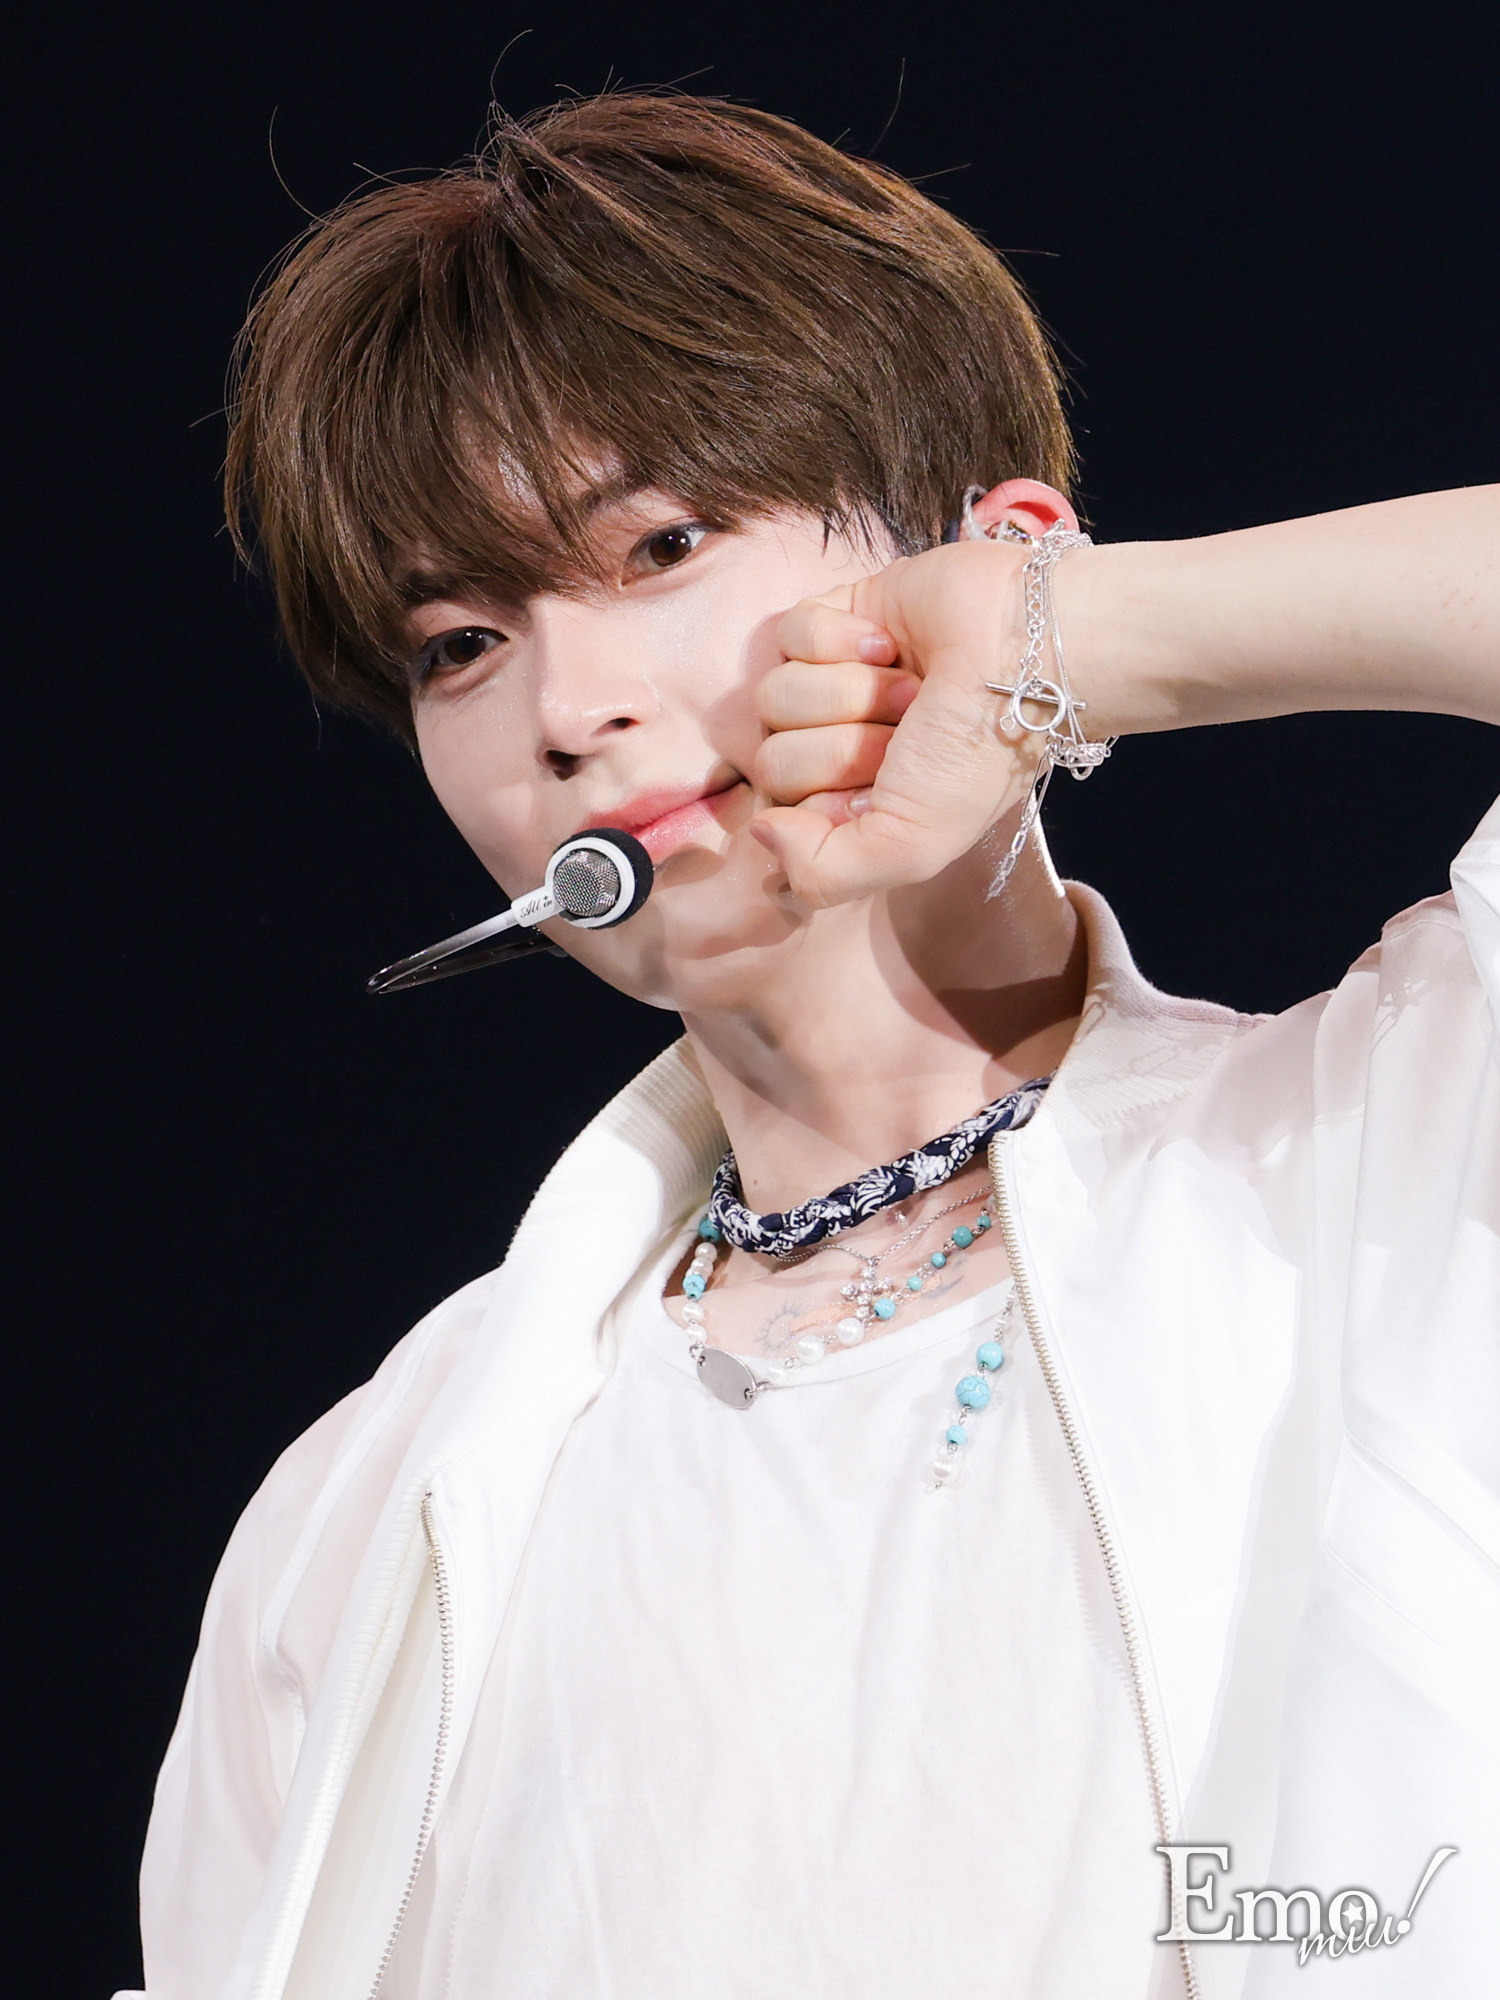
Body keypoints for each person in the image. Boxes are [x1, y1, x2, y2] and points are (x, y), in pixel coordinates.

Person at [119, 93, 1500, 2000]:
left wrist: (1087, 640)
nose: (568, 707)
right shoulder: (365, 1510)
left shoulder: (1399, 1151)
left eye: (663, 543)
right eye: (459, 643)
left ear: (997, 556)